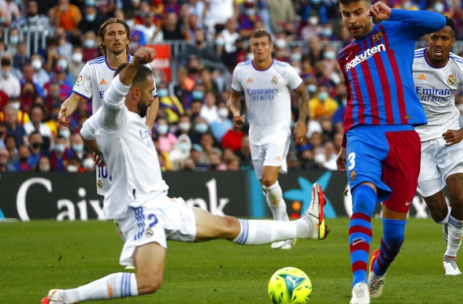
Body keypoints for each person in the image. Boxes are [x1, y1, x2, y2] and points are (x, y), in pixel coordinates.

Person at [41, 47, 327, 304]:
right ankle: (65, 298)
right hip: (140, 209)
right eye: (151, 90)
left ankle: (305, 228)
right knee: (148, 282)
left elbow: (86, 132)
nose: (155, 96)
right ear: (136, 92)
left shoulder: (118, 122)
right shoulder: (113, 115)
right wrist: (136, 62)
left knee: (227, 226)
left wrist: (102, 149)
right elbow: (114, 96)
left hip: (161, 203)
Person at [334, 0, 446, 303]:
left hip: (403, 135)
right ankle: (358, 285)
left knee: (394, 236)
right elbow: (351, 98)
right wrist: (345, 143)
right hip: (363, 134)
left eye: (357, 12)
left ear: (368, 10)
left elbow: (439, 22)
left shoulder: (396, 30)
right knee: (363, 198)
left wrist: (393, 13)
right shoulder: (344, 55)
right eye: (346, 14)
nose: (352, 20)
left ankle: (377, 271)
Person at [412, 17, 463, 275]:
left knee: (460, 197)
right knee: (437, 211)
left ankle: (450, 256)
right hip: (418, 141)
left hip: (450, 137)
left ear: (452, 42)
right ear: (427, 39)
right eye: (434, 37)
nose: (439, 42)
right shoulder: (409, 63)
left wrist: (462, 132)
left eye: (445, 38)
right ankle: (449, 226)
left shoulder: (461, 67)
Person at [57, 18, 159, 197]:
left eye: (121, 34)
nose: (117, 38)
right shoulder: (92, 68)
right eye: (111, 34)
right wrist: (64, 111)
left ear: (128, 39)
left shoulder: (142, 67)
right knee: (116, 203)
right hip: (107, 144)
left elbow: (154, 100)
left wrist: (148, 128)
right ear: (102, 41)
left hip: (135, 139)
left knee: (143, 198)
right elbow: (75, 98)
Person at [229, 29, 310, 250]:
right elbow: (233, 98)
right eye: (255, 44)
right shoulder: (241, 71)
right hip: (256, 135)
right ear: (250, 47)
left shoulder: (284, 70)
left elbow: (304, 94)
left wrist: (302, 122)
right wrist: (236, 113)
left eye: (264, 44)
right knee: (266, 186)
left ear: (271, 46)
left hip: (279, 132)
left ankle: (284, 230)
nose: (260, 48)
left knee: (268, 178)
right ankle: (283, 231)